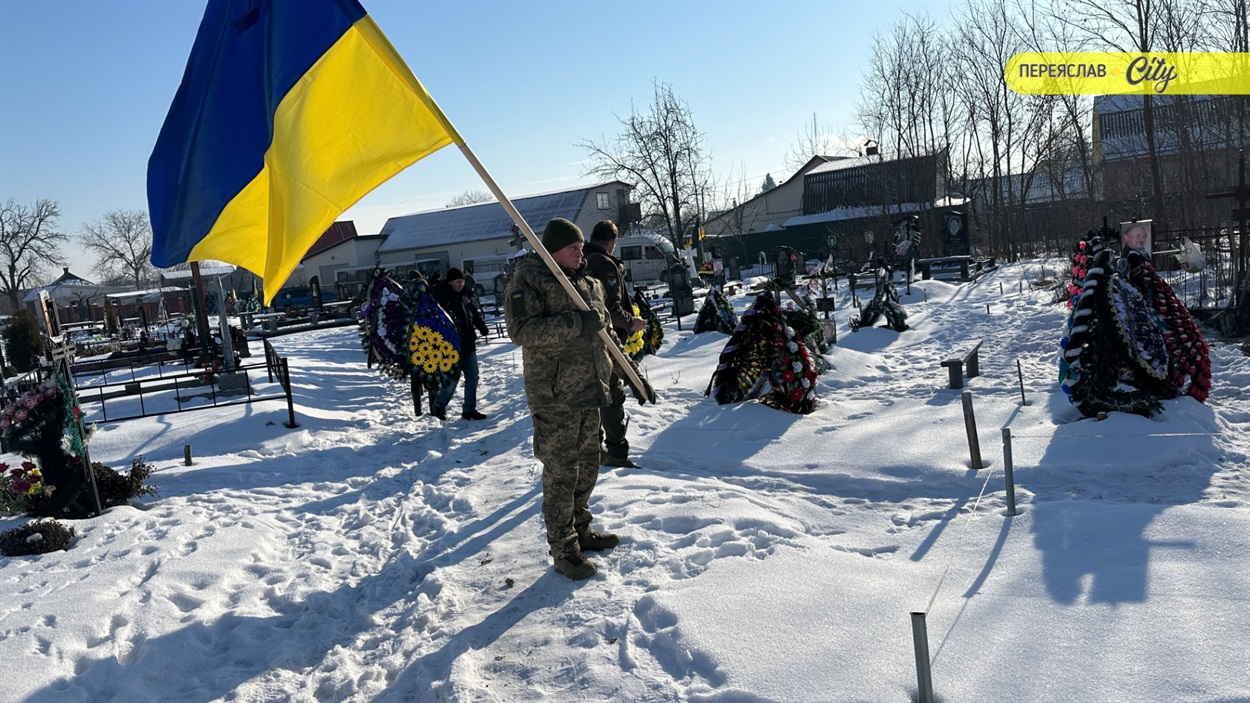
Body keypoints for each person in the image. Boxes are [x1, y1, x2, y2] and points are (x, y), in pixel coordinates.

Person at [504, 218, 655, 580]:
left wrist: (629, 373)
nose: (579, 251)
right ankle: (563, 548)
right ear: (552, 249)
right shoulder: (530, 279)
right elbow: (520, 330)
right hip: (555, 396)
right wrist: (576, 323)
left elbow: (604, 337)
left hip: (592, 391)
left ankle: (581, 530)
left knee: (588, 466)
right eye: (572, 247)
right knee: (561, 473)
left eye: (580, 246)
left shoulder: (589, 283)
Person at [583, 220, 647, 468]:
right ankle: (616, 454)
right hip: (606, 341)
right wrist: (633, 323)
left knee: (594, 396)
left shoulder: (583, 259)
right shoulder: (604, 263)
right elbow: (611, 308)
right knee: (612, 396)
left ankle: (594, 450)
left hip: (586, 340)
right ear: (612, 241)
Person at [431, 267, 490, 421]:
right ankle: (439, 404)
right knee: (452, 377)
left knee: (473, 377)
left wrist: (481, 327)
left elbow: (473, 313)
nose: (460, 285)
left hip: (469, 343)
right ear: (450, 282)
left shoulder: (466, 296)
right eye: (458, 282)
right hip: (450, 346)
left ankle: (469, 409)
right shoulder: (442, 298)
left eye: (462, 282)